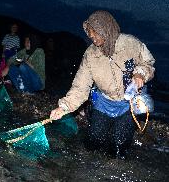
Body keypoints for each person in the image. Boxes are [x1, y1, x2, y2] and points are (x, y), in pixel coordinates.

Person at [50, 10, 155, 157]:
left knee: (119, 147)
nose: (92, 37)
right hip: (104, 102)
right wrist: (64, 107)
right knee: (93, 141)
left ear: (106, 29)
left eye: (95, 32)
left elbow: (147, 62)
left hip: (128, 104)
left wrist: (140, 74)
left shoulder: (130, 43)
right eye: (89, 33)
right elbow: (80, 86)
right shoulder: (90, 55)